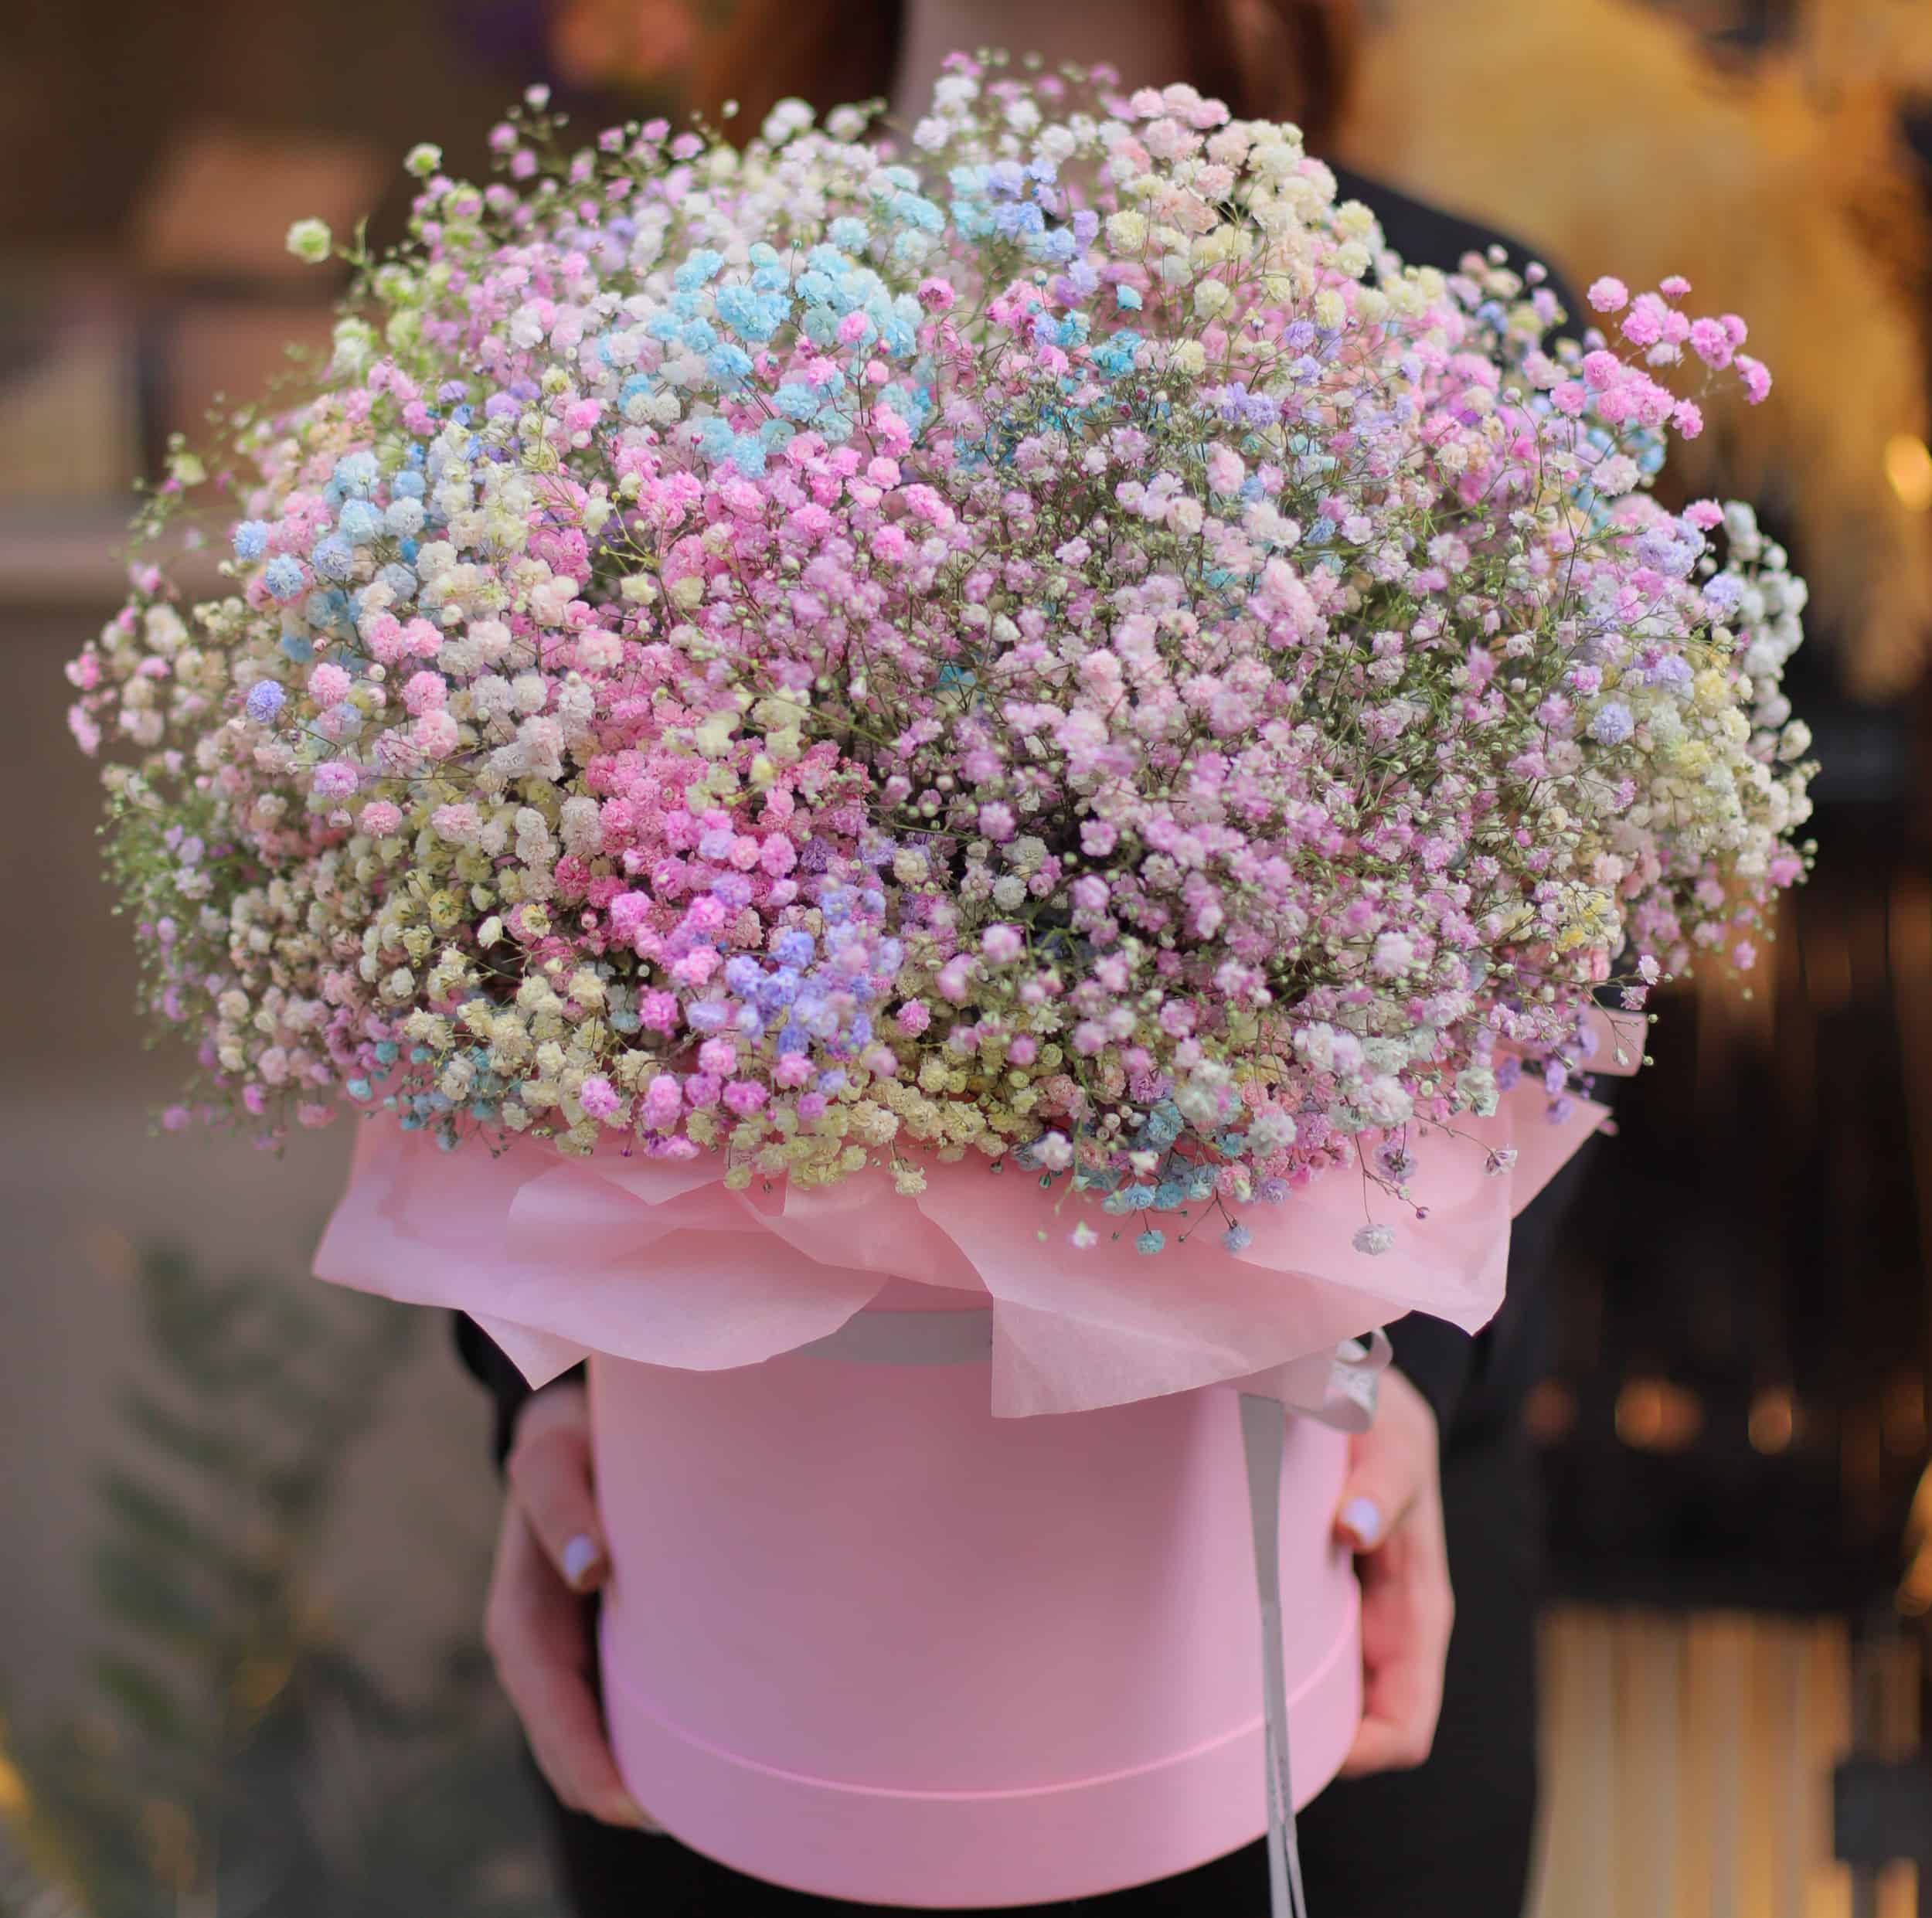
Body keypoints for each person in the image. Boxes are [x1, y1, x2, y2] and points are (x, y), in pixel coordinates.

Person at [463, 2, 1598, 1909]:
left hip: (1290, 1596)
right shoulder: (624, 329)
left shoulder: (1444, 318)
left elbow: (1569, 999)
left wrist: (1411, 1379)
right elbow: (485, 963)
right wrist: (551, 1401)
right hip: (763, 1640)